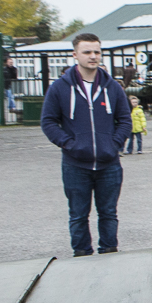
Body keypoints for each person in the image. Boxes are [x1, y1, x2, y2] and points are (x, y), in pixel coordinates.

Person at [41, 33, 131, 257]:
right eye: (87, 52)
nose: (93, 57)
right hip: (75, 165)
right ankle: (81, 257)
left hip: (109, 164)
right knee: (78, 215)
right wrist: (69, 144)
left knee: (109, 213)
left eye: (97, 52)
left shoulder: (112, 87)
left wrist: (114, 144)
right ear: (75, 54)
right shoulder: (60, 88)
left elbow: (125, 119)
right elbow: (48, 121)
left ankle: (109, 253)